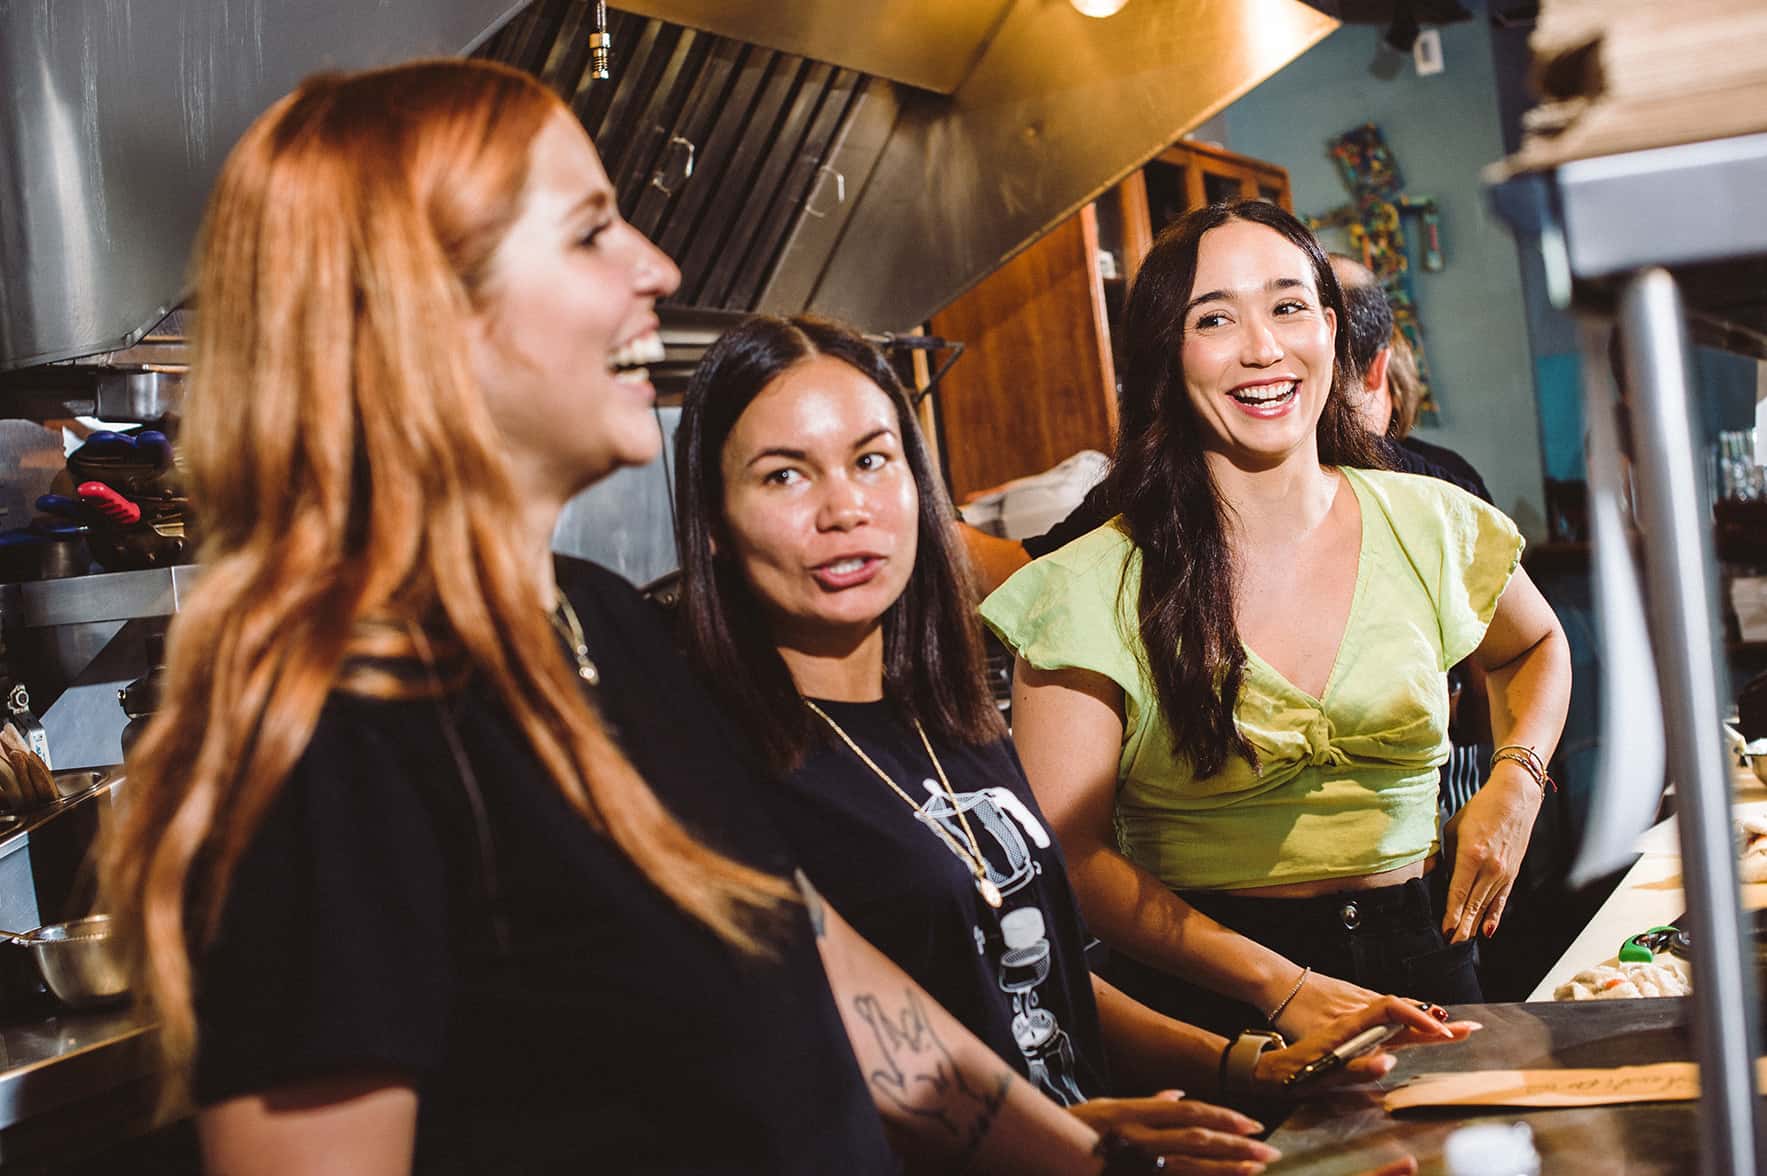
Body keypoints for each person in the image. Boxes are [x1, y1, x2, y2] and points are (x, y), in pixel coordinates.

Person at [99, 59, 1184, 1176]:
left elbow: (816, 967)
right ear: (421, 306)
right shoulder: (336, 723)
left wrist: (1081, 1160)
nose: (657, 269)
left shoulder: (599, 621)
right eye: (588, 234)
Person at [673, 313, 1468, 1166]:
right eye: (784, 476)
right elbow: (809, 1069)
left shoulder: (944, 722)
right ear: (714, 521)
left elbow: (1031, 974)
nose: (845, 510)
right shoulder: (718, 767)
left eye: (872, 461)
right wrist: (1080, 1150)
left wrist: (1247, 1067)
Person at [982, 199, 1572, 1041]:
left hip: (1430, 962)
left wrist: (1514, 782)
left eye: (1288, 306)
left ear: (1331, 331)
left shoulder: (1430, 521)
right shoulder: (1088, 585)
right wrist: (1280, 985)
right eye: (1213, 317)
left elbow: (1536, 645)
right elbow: (1067, 857)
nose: (1262, 347)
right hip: (1208, 997)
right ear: (1164, 354)